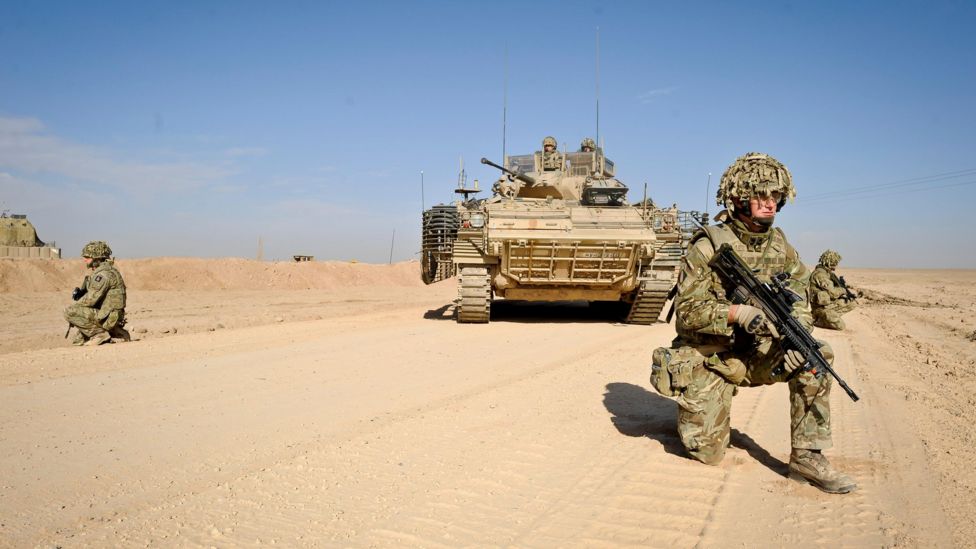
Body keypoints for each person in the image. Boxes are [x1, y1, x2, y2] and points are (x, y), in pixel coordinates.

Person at [650, 152, 856, 494]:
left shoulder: (780, 246)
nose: (770, 203)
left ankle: (808, 456)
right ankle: (696, 410)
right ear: (738, 198)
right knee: (707, 452)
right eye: (761, 195)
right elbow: (686, 311)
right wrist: (736, 314)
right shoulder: (708, 245)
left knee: (816, 357)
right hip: (713, 358)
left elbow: (801, 293)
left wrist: (797, 333)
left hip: (757, 355)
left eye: (775, 196)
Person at [64, 240, 130, 346]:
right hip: (111, 315)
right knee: (78, 341)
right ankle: (118, 333)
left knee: (69, 311)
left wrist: (76, 307)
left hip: (108, 316)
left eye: (87, 257)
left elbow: (90, 300)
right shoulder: (108, 271)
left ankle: (100, 335)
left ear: (96, 258)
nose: (84, 259)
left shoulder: (103, 275)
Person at [809, 250, 857, 330]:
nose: (836, 265)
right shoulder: (821, 274)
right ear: (830, 262)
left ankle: (830, 317)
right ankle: (819, 320)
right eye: (835, 263)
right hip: (819, 308)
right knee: (841, 326)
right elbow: (833, 293)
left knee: (852, 303)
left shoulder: (827, 273)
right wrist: (843, 290)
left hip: (827, 305)